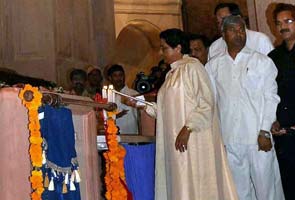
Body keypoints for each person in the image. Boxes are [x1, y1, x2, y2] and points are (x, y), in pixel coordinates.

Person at [144, 28, 238, 200]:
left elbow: (206, 103)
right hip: (176, 141)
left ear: (178, 48)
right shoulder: (171, 74)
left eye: (164, 48)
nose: (161, 52)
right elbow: (166, 111)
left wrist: (187, 128)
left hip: (193, 139)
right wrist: (140, 105)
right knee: (180, 183)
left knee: (196, 182)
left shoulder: (193, 68)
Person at [206, 15, 284, 200]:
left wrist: (265, 130)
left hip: (257, 138)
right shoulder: (213, 65)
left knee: (266, 191)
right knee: (239, 192)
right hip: (230, 139)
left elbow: (271, 97)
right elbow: (211, 102)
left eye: (241, 30)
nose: (238, 34)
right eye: (233, 30)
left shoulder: (261, 62)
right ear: (223, 34)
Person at [268, 3, 295, 200]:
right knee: (288, 185)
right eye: (278, 23)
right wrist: (273, 120)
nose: (283, 27)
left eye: (288, 21)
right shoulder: (273, 57)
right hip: (284, 136)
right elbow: (269, 94)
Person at [208, 2, 273, 59]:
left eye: (224, 19)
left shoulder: (260, 40)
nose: (221, 25)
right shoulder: (214, 48)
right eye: (218, 22)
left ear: (238, 18)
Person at [107, 64, 139, 134]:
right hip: (112, 137)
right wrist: (115, 116)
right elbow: (104, 117)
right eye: (115, 76)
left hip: (132, 136)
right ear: (110, 78)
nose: (119, 78)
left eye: (120, 75)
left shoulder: (134, 94)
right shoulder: (106, 96)